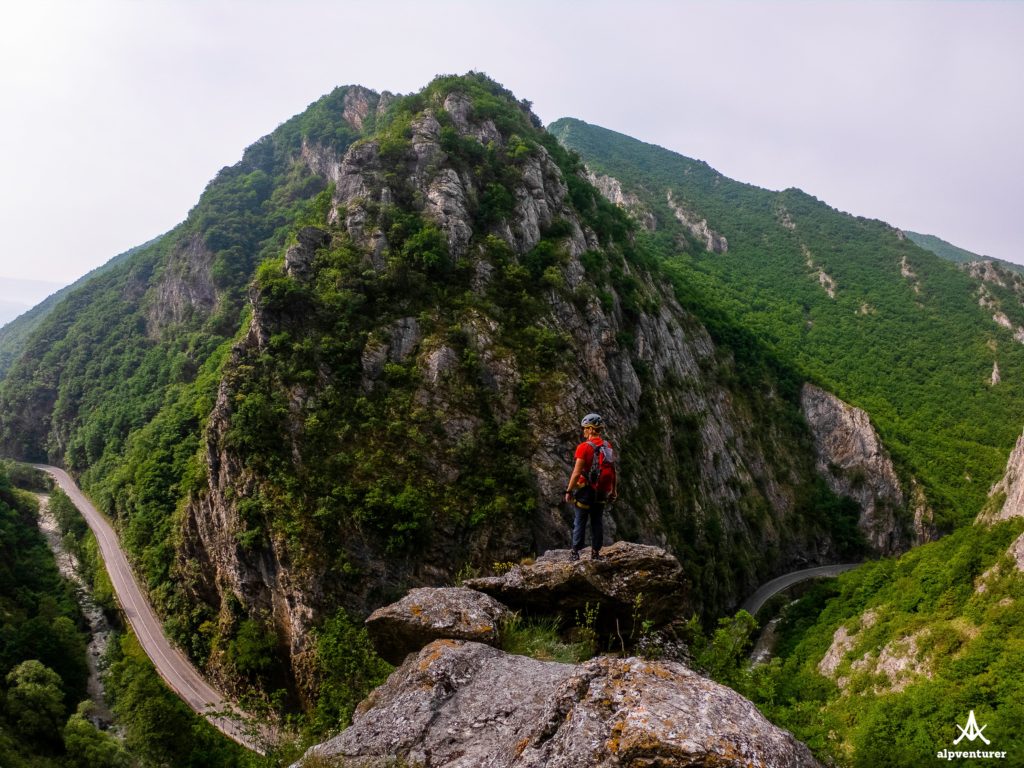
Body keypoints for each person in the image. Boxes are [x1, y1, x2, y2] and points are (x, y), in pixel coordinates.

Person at [563, 412, 617, 561]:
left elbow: (576, 473)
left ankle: (575, 553)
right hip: (602, 491)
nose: (584, 431)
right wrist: (614, 490)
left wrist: (569, 491)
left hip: (586, 491)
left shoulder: (583, 447)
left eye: (585, 428)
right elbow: (612, 470)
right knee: (597, 522)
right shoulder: (607, 445)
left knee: (580, 521)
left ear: (591, 429)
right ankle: (595, 553)